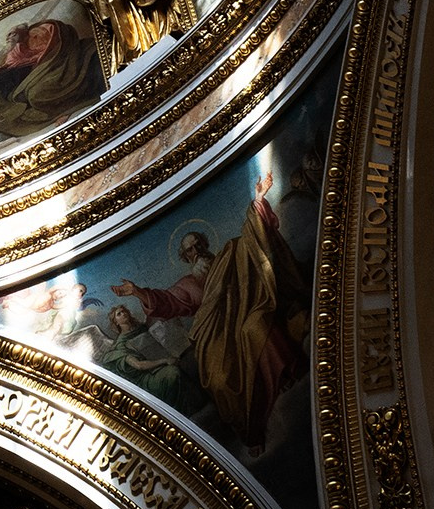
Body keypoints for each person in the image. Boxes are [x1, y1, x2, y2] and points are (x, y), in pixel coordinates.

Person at [113, 174, 304, 452]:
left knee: (259, 328)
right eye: (190, 250)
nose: (197, 252)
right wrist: (137, 291)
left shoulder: (228, 255)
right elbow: (166, 302)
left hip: (244, 312)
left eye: (199, 245)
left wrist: (259, 199)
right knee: (218, 376)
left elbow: (253, 240)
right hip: (214, 334)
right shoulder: (186, 285)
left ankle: (287, 381)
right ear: (186, 258)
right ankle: (250, 428)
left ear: (206, 244)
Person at [0, 17, 99, 137]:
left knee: (36, 94)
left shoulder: (38, 33)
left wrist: (37, 60)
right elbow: (12, 61)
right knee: (14, 91)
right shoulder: (17, 47)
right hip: (43, 67)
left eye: (13, 33)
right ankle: (2, 114)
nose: (10, 37)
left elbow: (56, 44)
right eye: (8, 35)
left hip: (60, 60)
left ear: (23, 31)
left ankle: (63, 111)